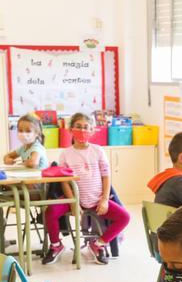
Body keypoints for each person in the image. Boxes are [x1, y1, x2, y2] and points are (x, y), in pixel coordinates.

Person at [42, 113, 129, 265]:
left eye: (85, 128)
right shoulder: (66, 153)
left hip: (96, 199)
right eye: (78, 127)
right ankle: (56, 245)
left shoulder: (98, 150)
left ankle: (99, 244)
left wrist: (104, 200)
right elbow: (65, 180)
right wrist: (73, 203)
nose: (82, 131)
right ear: (70, 129)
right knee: (50, 212)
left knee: (124, 217)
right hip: (75, 198)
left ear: (92, 131)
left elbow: (106, 176)